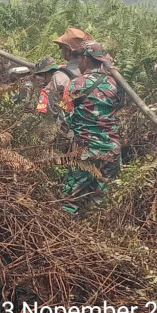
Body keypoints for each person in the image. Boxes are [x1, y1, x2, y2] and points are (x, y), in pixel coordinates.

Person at [57, 40, 123, 213]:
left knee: (70, 199)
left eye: (78, 59)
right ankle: (100, 231)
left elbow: (63, 118)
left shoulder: (75, 84)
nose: (77, 63)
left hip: (86, 149)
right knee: (103, 201)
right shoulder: (116, 83)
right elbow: (118, 107)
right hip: (111, 149)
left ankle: (66, 232)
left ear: (86, 59)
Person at [46, 27, 92, 118]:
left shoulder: (61, 76)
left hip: (72, 128)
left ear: (68, 51)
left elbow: (52, 109)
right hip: (101, 128)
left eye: (61, 47)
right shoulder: (102, 72)